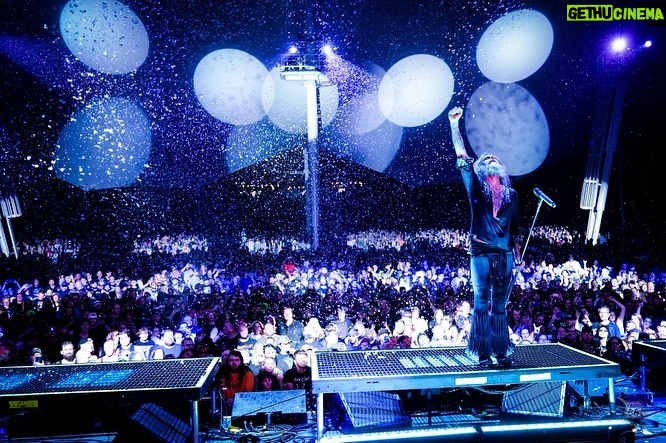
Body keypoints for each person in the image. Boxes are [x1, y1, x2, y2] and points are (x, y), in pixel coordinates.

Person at [448, 106, 522, 366]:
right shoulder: (476, 189)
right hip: (480, 253)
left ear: (501, 168)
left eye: (495, 159)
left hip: (504, 255)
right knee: (481, 302)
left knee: (500, 305)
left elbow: (515, 228)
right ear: (481, 167)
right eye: (486, 158)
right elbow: (461, 155)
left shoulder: (512, 196)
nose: (490, 159)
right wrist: (454, 125)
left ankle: (500, 350)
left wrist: (518, 254)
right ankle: (481, 351)